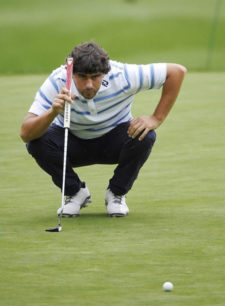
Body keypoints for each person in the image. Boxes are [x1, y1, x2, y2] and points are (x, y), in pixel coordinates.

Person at [20, 41, 187, 217]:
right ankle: (75, 193)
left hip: (114, 141)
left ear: (105, 73)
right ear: (71, 72)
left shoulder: (123, 75)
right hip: (72, 143)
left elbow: (176, 72)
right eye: (82, 77)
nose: (89, 84)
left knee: (145, 135)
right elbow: (26, 133)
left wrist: (156, 118)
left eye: (95, 76)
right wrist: (52, 112)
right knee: (37, 141)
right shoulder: (58, 81)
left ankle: (116, 194)